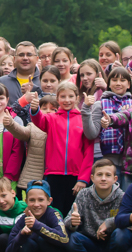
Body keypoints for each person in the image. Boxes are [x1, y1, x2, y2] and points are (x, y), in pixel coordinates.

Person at [28, 80, 92, 216]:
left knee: (74, 213)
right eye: (63, 96)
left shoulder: (83, 119)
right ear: (57, 99)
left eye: (70, 96)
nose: (67, 100)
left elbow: (88, 151)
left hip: (76, 176)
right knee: (55, 212)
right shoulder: (51, 118)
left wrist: (83, 179)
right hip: (54, 174)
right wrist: (34, 109)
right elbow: (39, 120)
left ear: (77, 98)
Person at [6, 180, 74, 252]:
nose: (36, 204)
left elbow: (64, 239)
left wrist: (37, 226)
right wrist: (21, 236)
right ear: (26, 201)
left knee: (43, 239)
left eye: (41, 200)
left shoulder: (53, 214)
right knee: (25, 243)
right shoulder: (23, 219)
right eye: (32, 200)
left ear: (49, 201)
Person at [66, 158, 126, 252]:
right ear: (92, 178)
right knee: (71, 237)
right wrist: (73, 222)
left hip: (112, 244)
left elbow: (127, 221)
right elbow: (67, 220)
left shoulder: (122, 197)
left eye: (108, 175)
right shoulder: (83, 195)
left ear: (115, 179)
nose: (103, 178)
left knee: (122, 235)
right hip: (90, 244)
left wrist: (111, 223)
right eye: (99, 175)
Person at [0, 41, 41, 110]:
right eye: (21, 55)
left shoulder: (45, 81)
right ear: (14, 59)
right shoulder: (1, 82)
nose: (25, 58)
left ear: (37, 59)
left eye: (29, 55)